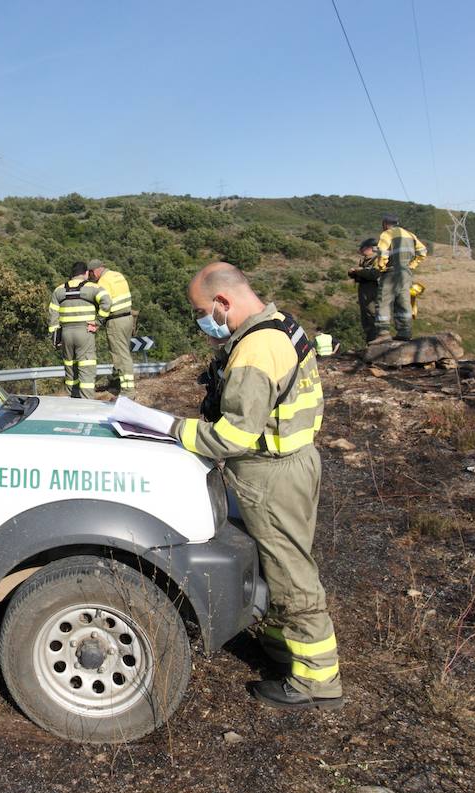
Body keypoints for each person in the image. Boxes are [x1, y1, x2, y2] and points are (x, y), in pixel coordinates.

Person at [109, 262, 343, 711]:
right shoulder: (280, 326)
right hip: (288, 464)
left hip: (271, 475)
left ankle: (316, 680)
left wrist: (172, 430)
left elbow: (234, 435)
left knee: (291, 572)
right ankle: (281, 647)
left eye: (202, 310)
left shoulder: (256, 350)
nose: (202, 321)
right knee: (277, 564)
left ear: (222, 302)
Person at [47, 261, 111, 398]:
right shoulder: (92, 287)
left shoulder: (59, 290)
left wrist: (55, 337)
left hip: (66, 334)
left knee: (70, 370)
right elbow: (106, 301)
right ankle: (87, 403)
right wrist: (98, 322)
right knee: (86, 368)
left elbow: (53, 315)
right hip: (85, 331)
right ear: (86, 273)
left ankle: (73, 400)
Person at [374, 214, 427, 341]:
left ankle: (383, 333)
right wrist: (412, 265)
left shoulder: (387, 234)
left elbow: (382, 251)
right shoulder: (410, 235)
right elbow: (423, 252)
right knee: (403, 302)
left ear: (385, 224)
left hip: (391, 272)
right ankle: (405, 332)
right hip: (406, 273)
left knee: (383, 301)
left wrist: (381, 266)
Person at [88, 259, 136, 396]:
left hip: (115, 321)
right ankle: (116, 382)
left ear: (95, 270)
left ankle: (128, 390)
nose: (92, 277)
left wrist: (98, 321)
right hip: (128, 318)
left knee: (120, 356)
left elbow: (106, 305)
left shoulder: (103, 282)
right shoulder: (118, 275)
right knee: (124, 351)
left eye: (91, 273)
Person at [347, 238, 383, 343]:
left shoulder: (377, 259)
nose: (361, 250)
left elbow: (375, 274)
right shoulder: (364, 260)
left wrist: (359, 271)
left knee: (372, 314)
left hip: (373, 290)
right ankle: (370, 340)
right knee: (365, 316)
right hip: (364, 289)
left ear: (369, 248)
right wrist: (354, 273)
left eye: (363, 248)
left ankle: (376, 339)